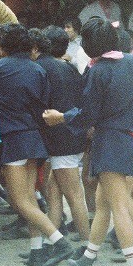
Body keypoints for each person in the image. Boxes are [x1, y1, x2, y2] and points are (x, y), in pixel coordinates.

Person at [43, 17, 133, 266]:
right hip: (131, 138)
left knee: (118, 207)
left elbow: (88, 114)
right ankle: (87, 259)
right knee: (103, 205)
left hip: (110, 142)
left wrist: (62, 117)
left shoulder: (99, 70)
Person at [0, 23, 72, 266]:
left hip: (11, 139)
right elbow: (43, 103)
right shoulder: (37, 69)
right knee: (30, 197)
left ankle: (59, 242)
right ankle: (36, 250)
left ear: (5, 44)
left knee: (20, 200)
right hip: (34, 138)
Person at [34, 27, 91, 243]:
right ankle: (52, 242)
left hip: (58, 138)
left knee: (73, 194)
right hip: (72, 134)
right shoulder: (69, 68)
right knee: (54, 191)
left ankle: (87, 244)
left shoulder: (40, 68)